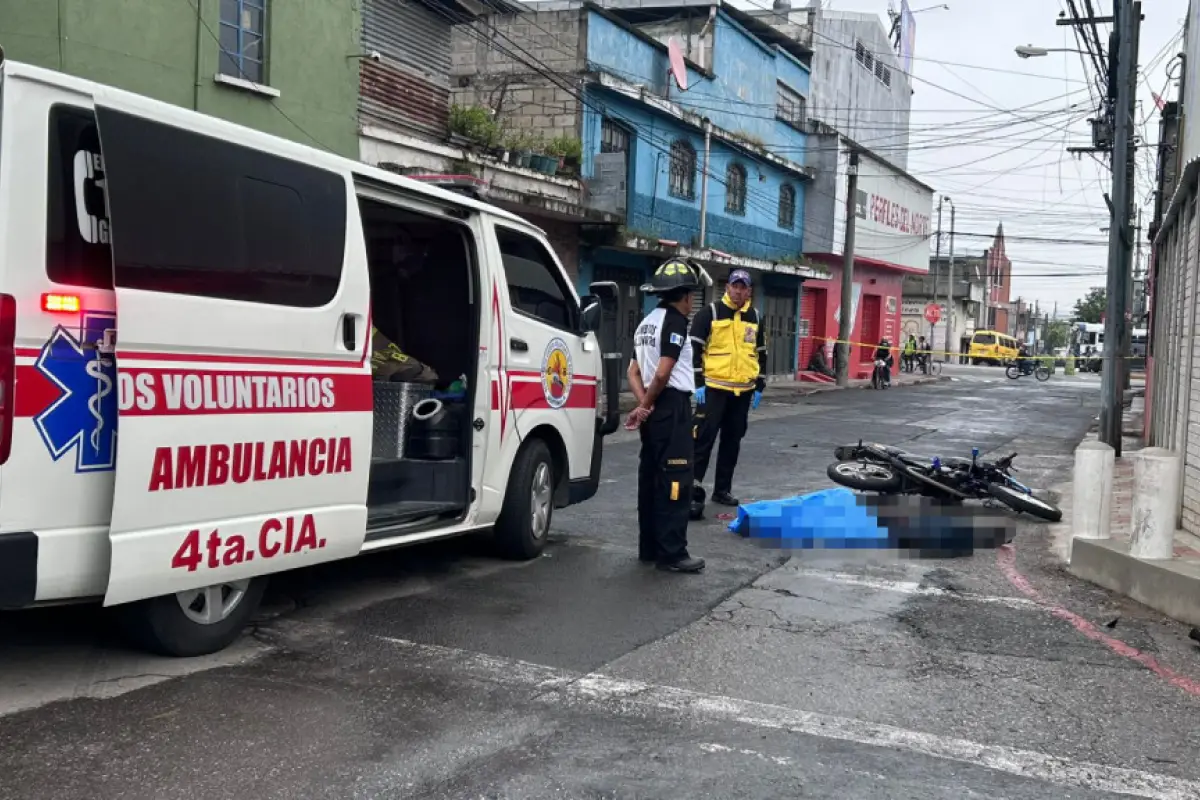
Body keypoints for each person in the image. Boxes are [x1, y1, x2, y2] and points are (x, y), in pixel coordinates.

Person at [626, 258, 706, 574]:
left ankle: (649, 548)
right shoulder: (674, 322)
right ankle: (672, 553)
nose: (691, 304)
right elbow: (662, 373)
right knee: (676, 477)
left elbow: (633, 372)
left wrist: (644, 405)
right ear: (684, 297)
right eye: (691, 298)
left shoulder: (646, 322)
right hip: (670, 407)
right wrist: (648, 404)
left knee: (651, 478)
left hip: (655, 407)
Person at [689, 269, 767, 518]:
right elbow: (694, 350)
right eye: (735, 286)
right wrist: (697, 382)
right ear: (727, 288)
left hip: (742, 392)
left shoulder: (755, 316)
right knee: (703, 439)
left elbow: (761, 353)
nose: (739, 291)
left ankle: (722, 489)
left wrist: (760, 386)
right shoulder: (709, 313)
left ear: (749, 291)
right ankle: (693, 488)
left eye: (744, 287)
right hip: (713, 389)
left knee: (732, 442)